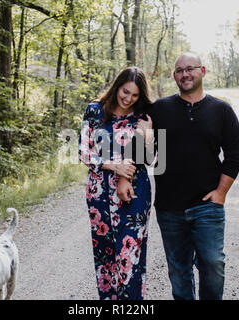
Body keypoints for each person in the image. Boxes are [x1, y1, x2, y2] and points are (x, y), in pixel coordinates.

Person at [148, 52, 239, 300]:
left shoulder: (221, 110)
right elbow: (144, 157)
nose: (185, 74)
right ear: (174, 76)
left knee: (213, 265)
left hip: (207, 205)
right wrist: (142, 134)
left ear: (202, 71)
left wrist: (220, 193)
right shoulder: (160, 109)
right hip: (169, 207)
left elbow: (235, 156)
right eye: (179, 71)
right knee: (179, 271)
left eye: (190, 68)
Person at [78, 66, 154, 300]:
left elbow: (151, 158)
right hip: (99, 193)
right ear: (117, 86)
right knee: (105, 256)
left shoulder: (144, 116)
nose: (128, 98)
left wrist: (147, 137)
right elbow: (84, 152)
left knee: (130, 256)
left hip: (135, 190)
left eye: (134, 95)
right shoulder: (94, 111)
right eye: (125, 91)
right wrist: (114, 166)